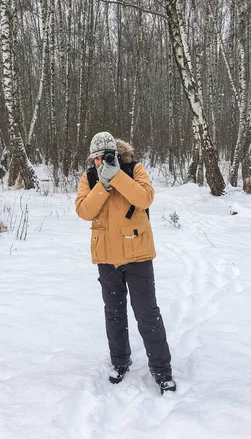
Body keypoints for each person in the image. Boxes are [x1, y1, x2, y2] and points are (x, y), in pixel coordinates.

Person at [75, 131, 176, 394]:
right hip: (106, 258)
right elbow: (84, 211)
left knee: (147, 314)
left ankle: (162, 371)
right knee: (114, 314)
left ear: (117, 155)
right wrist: (103, 185)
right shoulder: (88, 178)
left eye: (106, 157)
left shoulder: (134, 170)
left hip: (137, 254)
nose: (100, 162)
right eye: (96, 158)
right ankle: (119, 362)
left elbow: (145, 198)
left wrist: (117, 176)